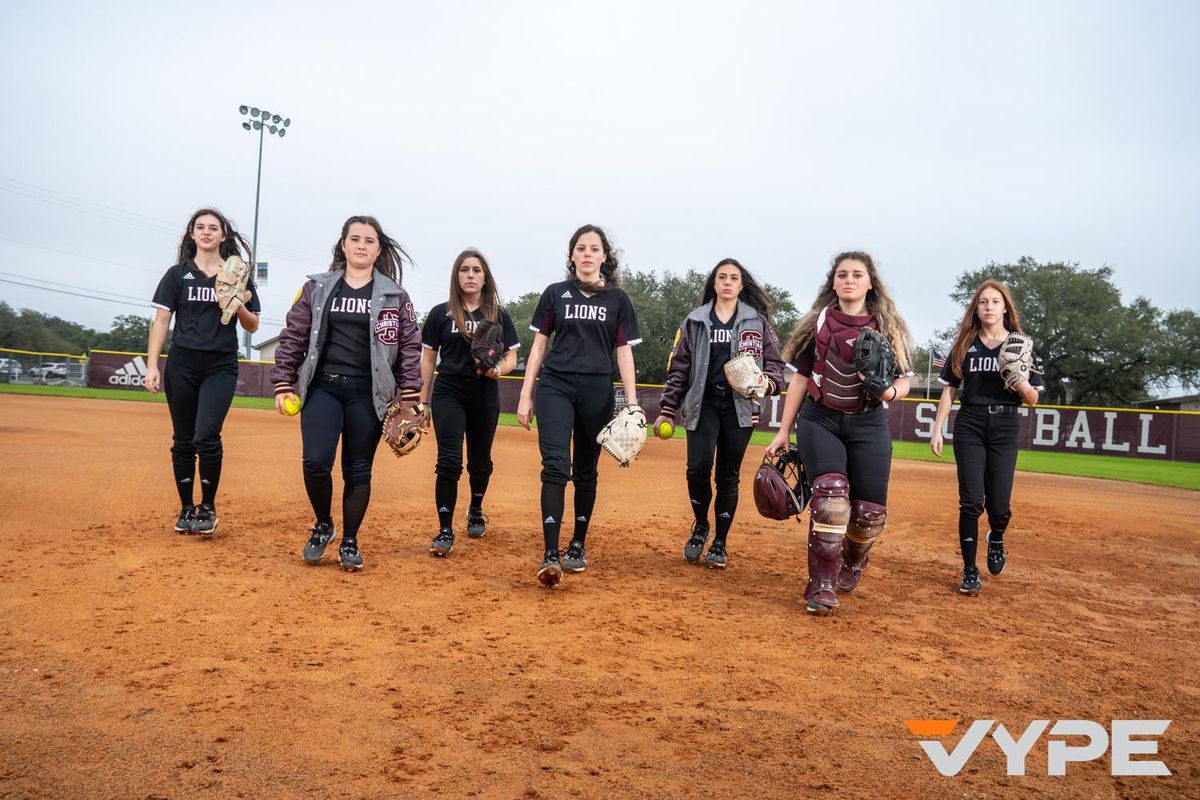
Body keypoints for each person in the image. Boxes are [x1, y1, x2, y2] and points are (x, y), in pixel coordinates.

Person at [270, 216, 422, 571]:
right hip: (323, 385)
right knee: (316, 462)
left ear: (378, 249)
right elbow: (294, 334)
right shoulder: (317, 288)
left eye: (369, 241)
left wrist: (410, 392)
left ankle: (350, 540)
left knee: (358, 470)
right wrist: (283, 381)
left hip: (368, 393)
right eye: (355, 239)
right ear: (343, 245)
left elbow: (410, 344)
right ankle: (324, 524)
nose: (361, 246)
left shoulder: (394, 295)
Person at [766, 251, 913, 616]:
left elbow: (903, 382)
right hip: (821, 418)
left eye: (857, 274)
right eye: (842, 274)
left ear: (869, 283)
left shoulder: (888, 325)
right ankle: (821, 584)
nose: (849, 280)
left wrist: (888, 392)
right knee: (831, 499)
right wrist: (784, 430)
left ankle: (852, 559)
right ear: (833, 282)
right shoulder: (819, 323)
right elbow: (800, 378)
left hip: (868, 421)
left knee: (869, 514)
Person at [517, 224, 641, 587]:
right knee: (556, 466)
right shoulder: (556, 294)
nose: (587, 254)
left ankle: (577, 545)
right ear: (572, 255)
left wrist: (632, 403)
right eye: (581, 248)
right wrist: (526, 394)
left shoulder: (617, 300)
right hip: (555, 385)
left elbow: (624, 351)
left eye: (594, 248)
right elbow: (539, 346)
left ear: (604, 256)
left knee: (585, 470)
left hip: (596, 389)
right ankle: (550, 554)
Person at [655, 259, 785, 569]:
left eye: (734, 278)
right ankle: (701, 526)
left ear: (741, 285)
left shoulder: (758, 322)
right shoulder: (694, 321)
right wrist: (667, 409)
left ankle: (720, 544)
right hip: (703, 404)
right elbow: (679, 368)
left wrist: (767, 384)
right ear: (714, 283)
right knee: (697, 469)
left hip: (740, 408)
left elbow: (776, 367)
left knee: (728, 476)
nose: (727, 282)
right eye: (722, 277)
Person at [144, 208, 261, 536]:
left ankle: (207, 507)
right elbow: (162, 321)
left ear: (223, 235)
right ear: (192, 234)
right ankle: (186, 509)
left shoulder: (237, 273)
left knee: (206, 434)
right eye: (201, 227)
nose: (207, 232)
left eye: (214, 228)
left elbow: (253, 324)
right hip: (182, 363)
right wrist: (152, 365)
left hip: (220, 365)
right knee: (183, 440)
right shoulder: (176, 275)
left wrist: (237, 303)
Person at [930, 280, 1042, 595]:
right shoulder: (966, 344)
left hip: (1005, 426)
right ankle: (969, 571)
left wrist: (1020, 382)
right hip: (970, 423)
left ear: (1005, 307)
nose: (989, 307)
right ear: (976, 310)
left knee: (1000, 507)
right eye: (983, 302)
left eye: (995, 301)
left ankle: (997, 537)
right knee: (970, 502)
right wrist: (937, 428)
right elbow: (950, 389)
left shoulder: (1021, 346)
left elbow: (1033, 399)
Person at [420, 249, 519, 557]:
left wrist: (497, 369)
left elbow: (513, 355)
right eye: (465, 270)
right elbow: (428, 357)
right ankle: (445, 530)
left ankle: (475, 507)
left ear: (485, 277)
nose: (471, 275)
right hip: (449, 390)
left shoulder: (498, 314)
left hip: (484, 393)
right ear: (457, 276)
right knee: (448, 462)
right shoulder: (441, 313)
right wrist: (422, 401)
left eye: (477, 270)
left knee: (480, 463)